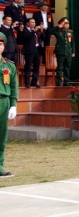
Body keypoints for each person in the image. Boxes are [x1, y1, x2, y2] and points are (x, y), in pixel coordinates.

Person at [0, 33, 18, 178]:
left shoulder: (9, 65)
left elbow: (13, 86)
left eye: (0, 44)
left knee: (2, 136)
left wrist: (13, 105)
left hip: (3, 101)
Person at [48, 18, 75, 86]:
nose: (67, 25)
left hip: (68, 52)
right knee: (60, 67)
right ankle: (59, 82)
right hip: (60, 52)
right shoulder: (57, 31)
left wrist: (73, 51)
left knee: (67, 67)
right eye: (65, 24)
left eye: (68, 24)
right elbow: (49, 32)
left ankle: (66, 81)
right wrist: (57, 27)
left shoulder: (70, 32)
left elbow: (72, 43)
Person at [19, 18, 43, 87]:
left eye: (34, 22)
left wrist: (41, 32)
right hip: (29, 51)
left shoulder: (35, 31)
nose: (34, 23)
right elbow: (26, 37)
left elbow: (43, 38)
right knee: (28, 66)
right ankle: (27, 82)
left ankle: (34, 82)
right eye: (32, 22)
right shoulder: (24, 30)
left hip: (37, 50)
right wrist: (33, 31)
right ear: (27, 23)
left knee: (36, 66)